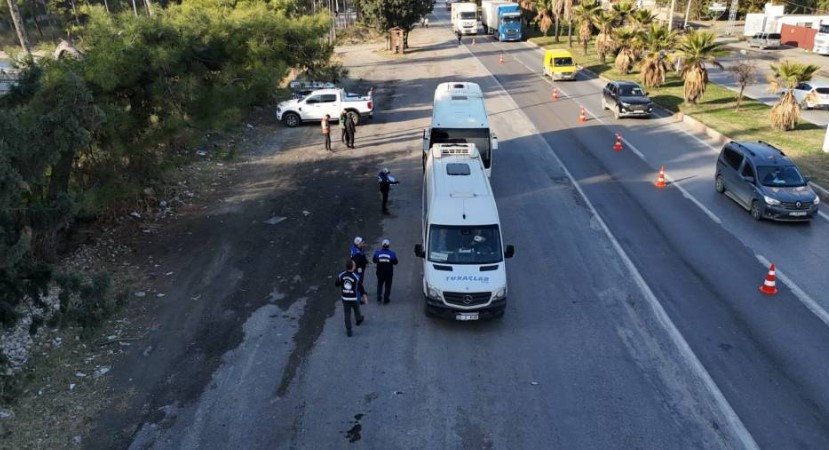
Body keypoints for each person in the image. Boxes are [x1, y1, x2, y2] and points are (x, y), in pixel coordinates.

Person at [335, 259, 366, 337]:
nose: (355, 266)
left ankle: (349, 330)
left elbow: (336, 284)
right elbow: (360, 288)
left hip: (345, 298)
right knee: (356, 309)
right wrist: (364, 296)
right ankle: (358, 319)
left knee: (347, 313)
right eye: (354, 265)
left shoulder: (341, 275)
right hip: (354, 298)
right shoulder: (356, 277)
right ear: (352, 267)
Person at [372, 239, 398, 304]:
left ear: (382, 245)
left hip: (380, 272)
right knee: (388, 285)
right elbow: (395, 262)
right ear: (388, 246)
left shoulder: (377, 253)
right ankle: (386, 298)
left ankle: (379, 297)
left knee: (380, 284)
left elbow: (374, 260)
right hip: (388, 273)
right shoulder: (392, 254)